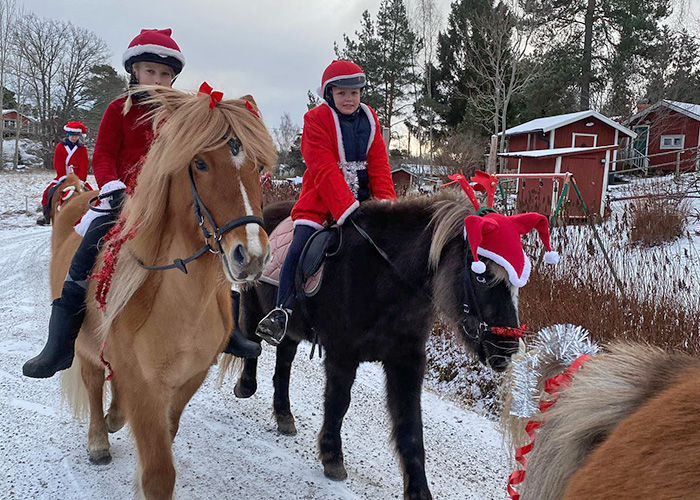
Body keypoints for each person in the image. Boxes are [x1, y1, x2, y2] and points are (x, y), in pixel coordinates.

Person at [23, 28, 259, 379]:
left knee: (212, 244)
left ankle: (228, 328)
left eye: (165, 74)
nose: (158, 79)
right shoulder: (119, 109)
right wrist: (114, 187)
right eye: (151, 71)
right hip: (125, 199)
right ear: (134, 70)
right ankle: (60, 341)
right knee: (90, 245)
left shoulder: (181, 114)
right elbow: (102, 155)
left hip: (169, 201)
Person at [255, 60, 397, 346]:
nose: (349, 99)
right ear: (329, 94)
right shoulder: (315, 120)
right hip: (321, 199)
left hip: (366, 199)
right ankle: (283, 310)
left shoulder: (370, 119)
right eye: (342, 93)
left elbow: (379, 164)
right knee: (299, 245)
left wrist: (386, 207)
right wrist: (347, 209)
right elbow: (322, 168)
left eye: (354, 93)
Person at [37, 121, 90, 226]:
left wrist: (81, 179)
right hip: (62, 176)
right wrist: (63, 177)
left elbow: (84, 165)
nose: (74, 138)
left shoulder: (82, 148)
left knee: (90, 193)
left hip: (78, 178)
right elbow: (58, 163)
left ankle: (91, 215)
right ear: (68, 135)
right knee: (48, 193)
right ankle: (46, 216)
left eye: (76, 136)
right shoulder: (60, 146)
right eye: (72, 136)